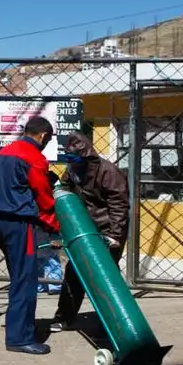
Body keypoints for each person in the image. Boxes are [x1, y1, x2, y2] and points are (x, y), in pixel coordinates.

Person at [0, 116, 60, 355]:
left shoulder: (6, 151)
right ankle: (20, 338)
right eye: (49, 139)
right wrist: (53, 227)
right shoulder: (34, 157)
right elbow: (44, 199)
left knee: (18, 275)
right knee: (25, 279)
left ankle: (19, 328)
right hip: (17, 222)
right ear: (44, 136)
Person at [49, 131, 129, 334]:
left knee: (107, 278)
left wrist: (115, 235)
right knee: (74, 274)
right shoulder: (74, 170)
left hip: (106, 231)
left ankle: (117, 321)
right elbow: (66, 192)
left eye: (76, 157)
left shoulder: (107, 172)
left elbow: (119, 206)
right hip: (84, 229)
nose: (73, 162)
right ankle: (64, 318)